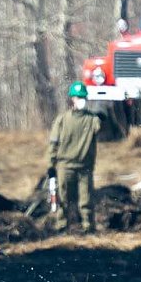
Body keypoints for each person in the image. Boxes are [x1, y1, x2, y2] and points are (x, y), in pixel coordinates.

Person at [48, 81, 101, 232]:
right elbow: (53, 143)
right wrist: (50, 166)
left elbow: (102, 128)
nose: (81, 100)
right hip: (65, 167)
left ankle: (88, 227)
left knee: (86, 200)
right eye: (78, 97)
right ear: (72, 99)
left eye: (83, 97)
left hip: (85, 168)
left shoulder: (92, 120)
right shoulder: (62, 120)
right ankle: (62, 227)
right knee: (63, 199)